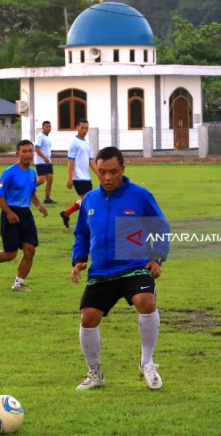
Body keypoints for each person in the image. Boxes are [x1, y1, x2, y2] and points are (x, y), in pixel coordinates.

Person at [70, 146, 169, 391]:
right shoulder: (90, 199)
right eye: (101, 172)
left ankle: (147, 363)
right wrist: (79, 258)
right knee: (88, 318)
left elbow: (161, 227)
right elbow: (81, 233)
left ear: (123, 169)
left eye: (112, 172)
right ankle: (95, 373)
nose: (107, 177)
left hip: (133, 264)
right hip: (102, 270)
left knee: (146, 301)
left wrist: (156, 258)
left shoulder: (139, 195)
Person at [0, 140, 48, 292]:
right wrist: (9, 213)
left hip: (26, 214)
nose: (28, 154)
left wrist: (39, 205)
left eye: (30, 151)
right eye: (24, 151)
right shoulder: (9, 172)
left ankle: (18, 284)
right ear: (18, 154)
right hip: (11, 213)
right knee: (10, 254)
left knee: (30, 249)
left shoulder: (31, 173)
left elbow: (31, 192)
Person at [60, 119, 98, 229]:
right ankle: (87, 226)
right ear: (77, 128)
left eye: (86, 128)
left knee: (85, 201)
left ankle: (66, 213)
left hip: (86, 178)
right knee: (89, 202)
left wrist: (98, 174)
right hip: (78, 178)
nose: (84, 130)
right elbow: (70, 160)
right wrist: (70, 177)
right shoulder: (74, 143)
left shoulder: (86, 143)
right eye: (82, 128)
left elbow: (91, 160)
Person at [34, 121, 56, 204]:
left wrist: (47, 158)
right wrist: (43, 157)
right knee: (41, 180)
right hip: (40, 161)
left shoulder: (48, 137)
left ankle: (47, 198)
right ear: (42, 127)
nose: (48, 128)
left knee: (50, 179)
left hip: (48, 161)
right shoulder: (40, 136)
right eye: (46, 126)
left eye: (49, 126)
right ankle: (27, 189)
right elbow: (36, 148)